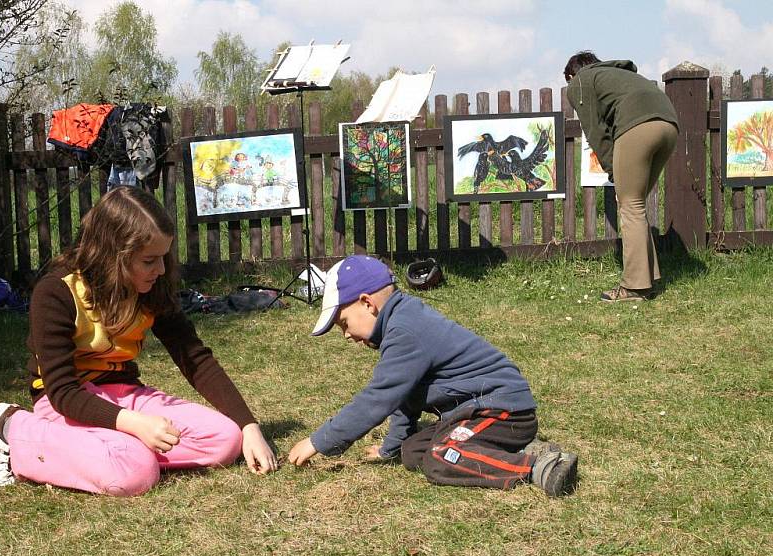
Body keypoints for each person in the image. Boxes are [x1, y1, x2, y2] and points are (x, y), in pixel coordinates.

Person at [0, 186, 278, 496]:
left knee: (226, 440)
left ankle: (118, 448)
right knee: (133, 474)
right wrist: (135, 424)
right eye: (150, 261)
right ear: (113, 255)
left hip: (127, 394)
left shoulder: (153, 288)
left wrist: (248, 426)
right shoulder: (56, 292)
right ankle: (13, 427)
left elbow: (194, 358)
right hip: (65, 402)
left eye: (164, 258)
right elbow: (63, 392)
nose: (161, 270)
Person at [287, 255, 578, 497]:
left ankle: (538, 466)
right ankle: (515, 445)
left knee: (440, 457)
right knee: (412, 452)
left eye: (344, 323)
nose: (347, 335)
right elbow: (406, 398)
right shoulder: (400, 322)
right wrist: (391, 448)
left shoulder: (405, 332)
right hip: (476, 411)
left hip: (505, 411)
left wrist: (318, 442)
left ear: (367, 303)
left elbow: (376, 400)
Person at [564, 51, 679, 302]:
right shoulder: (617, 73)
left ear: (572, 74)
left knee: (630, 205)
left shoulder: (580, 81)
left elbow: (594, 130)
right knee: (635, 203)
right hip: (669, 124)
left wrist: (613, 170)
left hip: (637, 126)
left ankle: (634, 288)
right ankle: (650, 277)